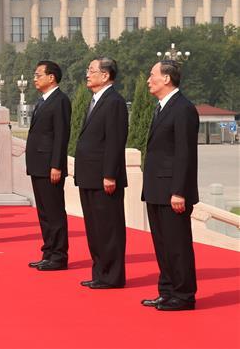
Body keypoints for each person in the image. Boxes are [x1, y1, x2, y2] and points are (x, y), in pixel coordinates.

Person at [141, 60, 199, 311]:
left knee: (177, 245)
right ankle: (166, 291)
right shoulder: (162, 107)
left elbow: (184, 154)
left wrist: (179, 191)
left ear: (166, 78)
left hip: (172, 191)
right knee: (162, 245)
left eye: (152, 75)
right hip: (156, 188)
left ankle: (184, 295)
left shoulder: (183, 108)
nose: (148, 80)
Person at [74, 57, 128, 289]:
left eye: (92, 70)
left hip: (104, 178)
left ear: (105, 75)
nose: (87, 74)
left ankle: (112, 276)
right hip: (89, 175)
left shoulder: (114, 101)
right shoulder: (96, 100)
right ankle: (100, 272)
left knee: (109, 228)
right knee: (94, 228)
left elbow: (115, 141)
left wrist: (110, 174)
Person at [25, 60, 72, 271]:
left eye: (38, 74)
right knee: (44, 212)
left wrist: (56, 165)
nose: (35, 78)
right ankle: (48, 252)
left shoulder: (60, 100)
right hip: (38, 164)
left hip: (50, 166)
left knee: (54, 212)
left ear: (51, 77)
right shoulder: (43, 100)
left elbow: (61, 135)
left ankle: (59, 256)